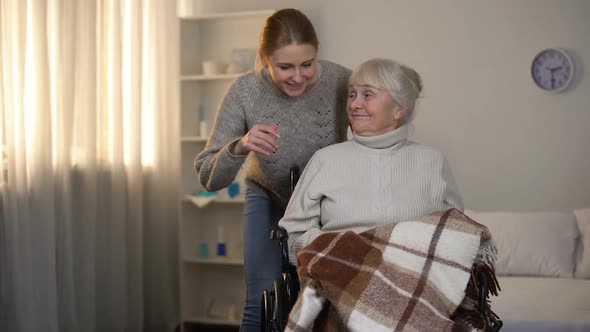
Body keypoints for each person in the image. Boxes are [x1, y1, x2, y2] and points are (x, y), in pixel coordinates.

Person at [193, 8, 351, 332]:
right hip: (267, 197)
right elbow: (208, 176)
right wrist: (239, 145)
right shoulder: (244, 91)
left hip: (324, 205)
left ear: (317, 54)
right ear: (265, 58)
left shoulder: (342, 81)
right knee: (262, 302)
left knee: (326, 303)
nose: (297, 76)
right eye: (285, 66)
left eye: (307, 64)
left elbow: (379, 118)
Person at [278, 58, 464, 265]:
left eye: (367, 94)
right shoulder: (326, 160)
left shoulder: (432, 162)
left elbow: (455, 233)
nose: (354, 104)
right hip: (339, 276)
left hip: (413, 275)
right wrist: (343, 251)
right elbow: (294, 235)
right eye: (352, 94)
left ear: (399, 109)